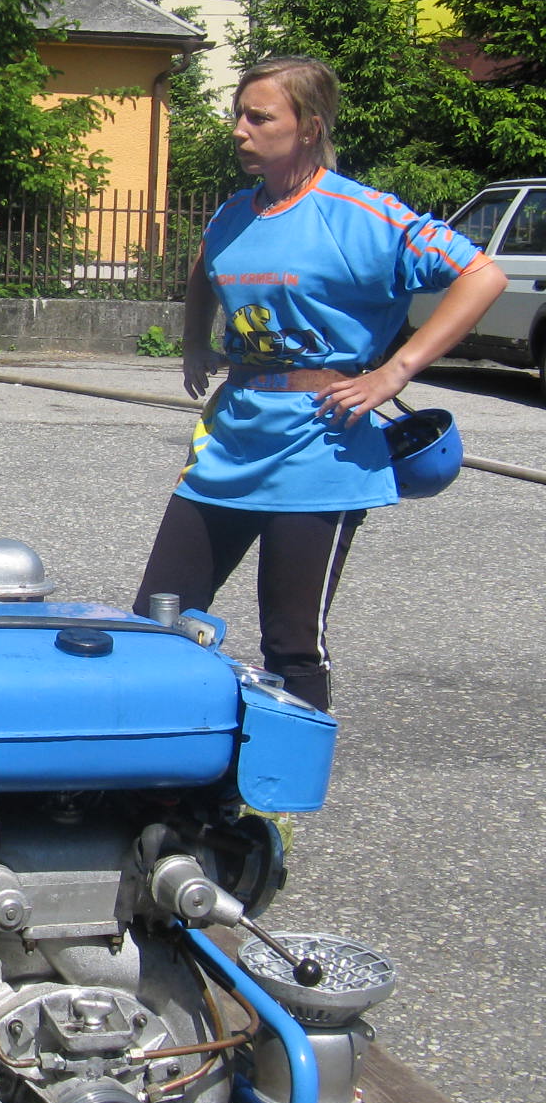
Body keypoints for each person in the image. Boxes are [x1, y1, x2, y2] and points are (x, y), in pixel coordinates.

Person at [132, 55, 507, 711]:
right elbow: (206, 265)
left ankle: (288, 768)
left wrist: (393, 373)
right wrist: (194, 339)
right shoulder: (234, 213)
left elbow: (482, 276)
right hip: (231, 441)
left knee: (292, 643)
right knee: (156, 619)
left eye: (259, 117)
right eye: (238, 115)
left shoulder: (361, 214)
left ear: (308, 127)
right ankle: (168, 763)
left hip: (321, 447)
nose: (239, 130)